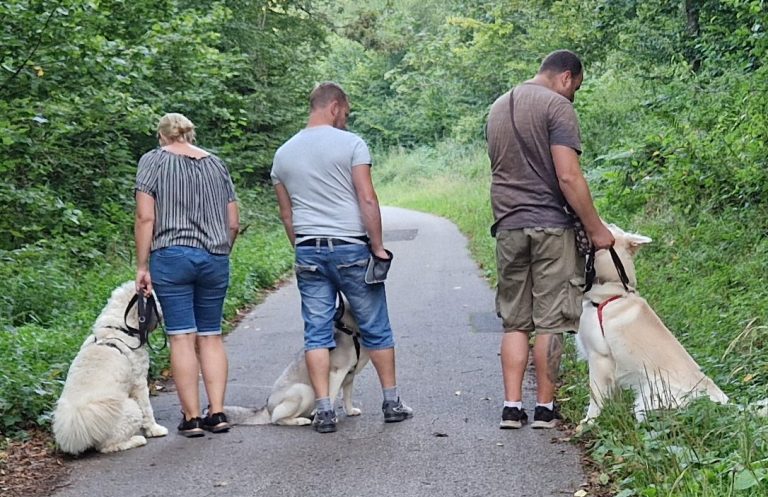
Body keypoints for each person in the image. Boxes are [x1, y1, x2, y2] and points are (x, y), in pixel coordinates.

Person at [271, 82, 412, 434]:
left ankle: (323, 410)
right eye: (345, 112)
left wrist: (301, 247)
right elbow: (367, 198)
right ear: (334, 106)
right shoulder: (351, 144)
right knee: (375, 325)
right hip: (350, 246)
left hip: (308, 249)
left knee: (317, 332)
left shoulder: (283, 153)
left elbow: (286, 214)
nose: (345, 119)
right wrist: (377, 246)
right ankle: (391, 402)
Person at [486, 50, 614, 429]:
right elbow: (569, 176)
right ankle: (543, 408)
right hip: (550, 227)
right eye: (576, 86)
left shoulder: (496, 108)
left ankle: (511, 407)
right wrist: (595, 228)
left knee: (514, 321)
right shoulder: (558, 108)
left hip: (507, 225)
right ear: (566, 77)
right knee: (550, 321)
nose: (573, 93)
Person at [134, 113, 240, 437]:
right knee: (210, 335)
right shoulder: (216, 164)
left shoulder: (152, 161)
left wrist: (142, 266)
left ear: (162, 136)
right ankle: (218, 412)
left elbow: (145, 217)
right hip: (215, 255)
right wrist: (222, 250)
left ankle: (192, 418)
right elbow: (233, 221)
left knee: (181, 336)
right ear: (189, 135)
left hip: (171, 256)